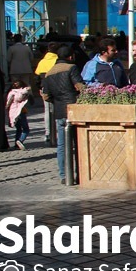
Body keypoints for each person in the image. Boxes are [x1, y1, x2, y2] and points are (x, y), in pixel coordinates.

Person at [40, 44, 81, 182]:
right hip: (73, 109)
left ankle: (64, 175)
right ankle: (79, 173)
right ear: (71, 57)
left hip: (59, 111)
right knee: (78, 144)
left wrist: (56, 101)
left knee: (62, 145)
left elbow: (46, 96)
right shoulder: (71, 68)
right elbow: (80, 86)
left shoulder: (49, 72)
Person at [6, 79, 31, 150]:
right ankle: (20, 140)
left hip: (13, 113)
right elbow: (19, 98)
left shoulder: (11, 92)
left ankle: (16, 145)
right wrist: (26, 90)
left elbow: (8, 104)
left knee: (18, 129)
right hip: (20, 112)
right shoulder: (21, 92)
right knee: (26, 129)